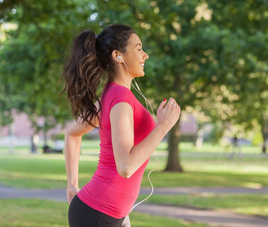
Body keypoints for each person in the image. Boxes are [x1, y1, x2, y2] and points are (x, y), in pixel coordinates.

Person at [62, 24, 180, 227]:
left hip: (108, 213)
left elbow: (71, 134)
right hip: (98, 215)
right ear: (118, 56)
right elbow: (126, 166)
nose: (145, 55)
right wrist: (163, 126)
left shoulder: (111, 95)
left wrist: (72, 184)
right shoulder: (121, 100)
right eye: (138, 48)